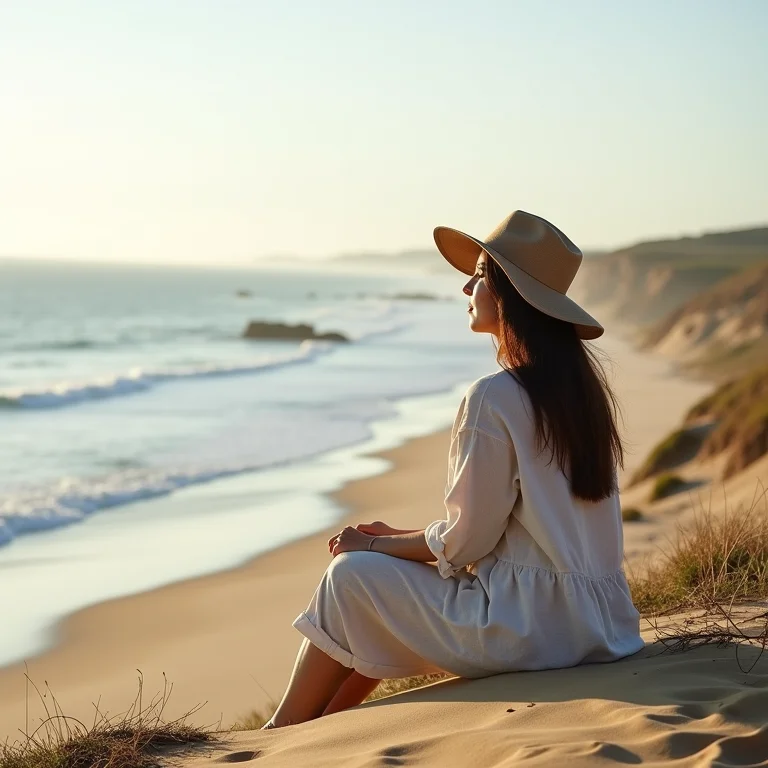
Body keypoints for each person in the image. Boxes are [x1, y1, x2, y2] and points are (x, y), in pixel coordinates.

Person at [262, 210, 644, 730]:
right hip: (601, 626)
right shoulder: (582, 399)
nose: (467, 284)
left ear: (511, 294)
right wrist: (394, 538)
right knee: (373, 580)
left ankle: (279, 736)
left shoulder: (495, 396)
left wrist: (373, 547)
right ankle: (315, 732)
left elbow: (468, 543)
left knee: (351, 577)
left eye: (482, 274)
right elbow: (511, 533)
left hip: (528, 629)